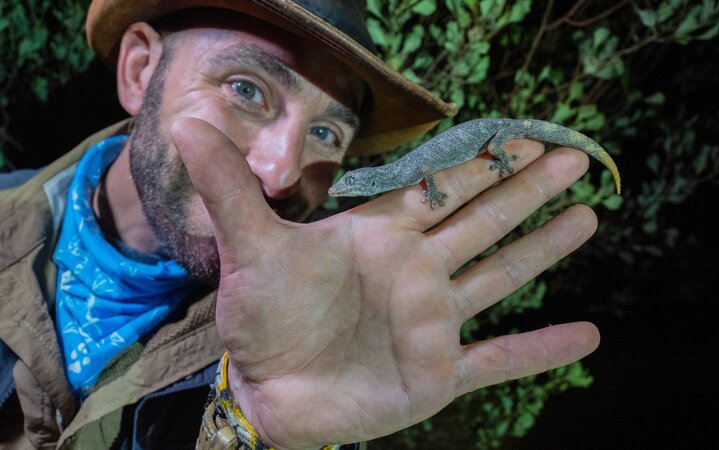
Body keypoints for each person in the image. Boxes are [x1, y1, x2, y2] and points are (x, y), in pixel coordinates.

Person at [0, 0, 601, 448]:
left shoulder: (313, 329)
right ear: (138, 71)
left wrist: (257, 430)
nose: (282, 172)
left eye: (327, 133)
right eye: (246, 88)